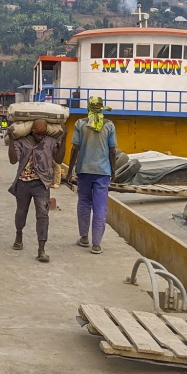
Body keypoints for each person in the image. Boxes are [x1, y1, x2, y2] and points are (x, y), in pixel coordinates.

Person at [7, 119, 65, 263]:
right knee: (21, 212)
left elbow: (59, 159)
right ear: (32, 131)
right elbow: (13, 160)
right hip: (23, 183)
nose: (41, 137)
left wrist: (64, 139)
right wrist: (12, 140)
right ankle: (18, 235)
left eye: (43, 134)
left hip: (42, 183)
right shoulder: (23, 142)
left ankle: (41, 250)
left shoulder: (50, 141)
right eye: (38, 134)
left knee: (43, 215)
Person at [66, 97, 117, 255]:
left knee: (84, 203)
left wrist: (69, 171)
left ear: (88, 107)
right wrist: (113, 170)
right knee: (100, 207)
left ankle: (84, 238)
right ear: (102, 107)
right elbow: (112, 151)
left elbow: (75, 148)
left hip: (84, 170)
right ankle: (96, 244)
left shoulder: (80, 124)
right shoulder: (109, 125)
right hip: (103, 172)